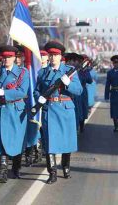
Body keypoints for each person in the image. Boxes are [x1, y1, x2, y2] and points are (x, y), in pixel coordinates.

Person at [34, 41, 83, 184]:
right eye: (51, 55)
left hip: (65, 108)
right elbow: (37, 90)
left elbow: (78, 91)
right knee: (50, 142)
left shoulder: (70, 71)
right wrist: (40, 98)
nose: (53, 57)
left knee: (66, 140)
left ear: (61, 56)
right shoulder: (43, 72)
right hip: (50, 108)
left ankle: (66, 167)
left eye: (56, 55)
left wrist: (68, 83)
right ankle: (52, 172)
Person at [0, 45, 29, 183]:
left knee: (16, 141)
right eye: (4, 57)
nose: (7, 60)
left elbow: (23, 91)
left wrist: (5, 93)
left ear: (14, 58)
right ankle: (2, 171)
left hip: (16, 110)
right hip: (1, 110)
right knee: (0, 140)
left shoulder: (23, 73)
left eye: (9, 57)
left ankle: (16, 167)